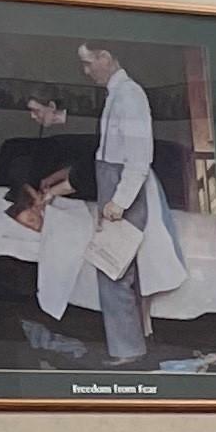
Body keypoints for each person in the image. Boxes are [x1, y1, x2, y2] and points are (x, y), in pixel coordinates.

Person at [78, 38, 187, 365]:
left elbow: (138, 158)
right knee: (112, 265)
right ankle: (129, 345)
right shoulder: (116, 96)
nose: (85, 71)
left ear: (106, 57)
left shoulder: (130, 96)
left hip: (124, 187)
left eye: (88, 63)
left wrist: (120, 201)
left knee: (113, 267)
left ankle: (128, 351)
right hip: (110, 183)